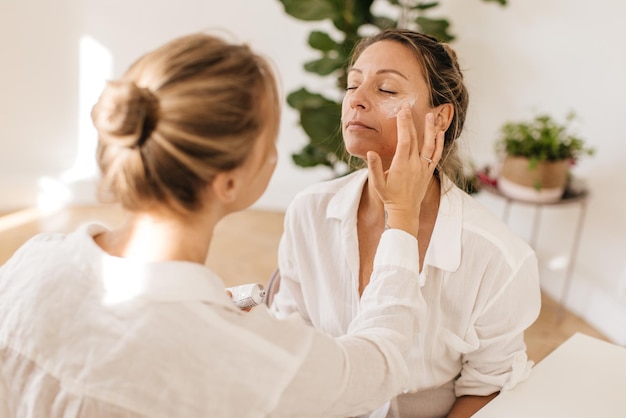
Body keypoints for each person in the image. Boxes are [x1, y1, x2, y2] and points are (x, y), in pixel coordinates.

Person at [0, 31, 448, 418]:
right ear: (230, 180)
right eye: (269, 138)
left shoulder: (34, 261)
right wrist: (403, 220)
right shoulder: (237, 355)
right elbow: (381, 364)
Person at [270, 28, 542, 418]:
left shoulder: (498, 258)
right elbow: (292, 341)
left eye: (387, 90)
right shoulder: (308, 212)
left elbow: (487, 388)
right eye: (353, 85)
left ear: (439, 116)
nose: (356, 101)